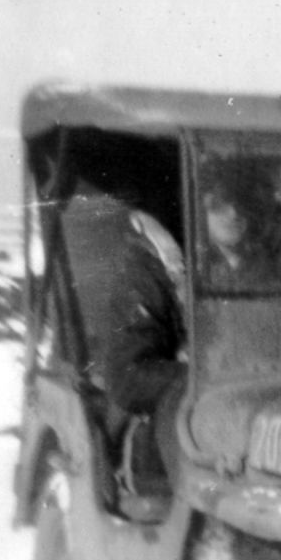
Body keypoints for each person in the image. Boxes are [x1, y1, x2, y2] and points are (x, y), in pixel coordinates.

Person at [100, 210, 187, 489]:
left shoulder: (245, 259)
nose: (233, 214)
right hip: (148, 388)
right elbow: (128, 376)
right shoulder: (144, 271)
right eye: (217, 204)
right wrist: (198, 373)